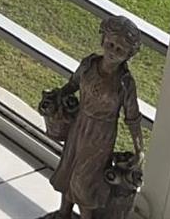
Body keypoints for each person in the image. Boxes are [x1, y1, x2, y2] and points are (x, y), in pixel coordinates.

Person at [40, 13, 145, 219]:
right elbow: (72, 85)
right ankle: (64, 213)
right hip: (80, 125)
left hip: (101, 135)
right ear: (103, 40)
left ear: (128, 55)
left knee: (85, 180)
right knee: (68, 170)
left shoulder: (124, 82)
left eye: (120, 49)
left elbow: (132, 117)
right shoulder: (88, 65)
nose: (113, 51)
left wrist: (139, 149)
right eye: (111, 44)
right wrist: (56, 98)